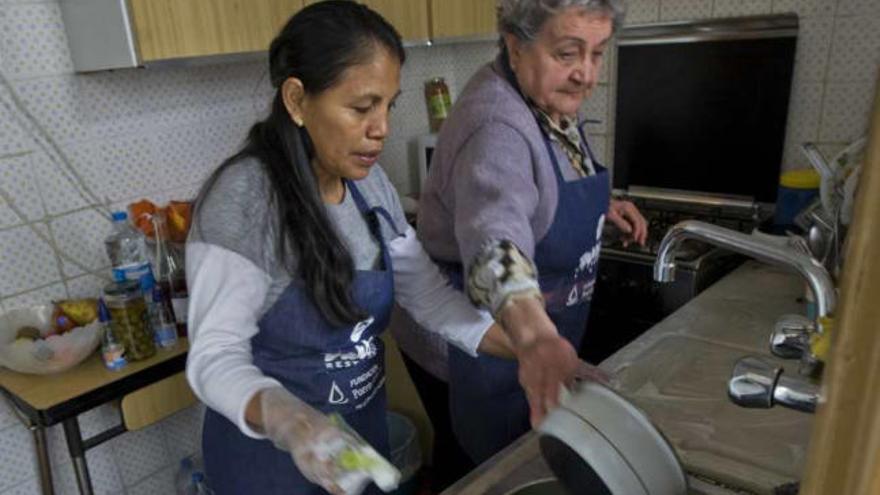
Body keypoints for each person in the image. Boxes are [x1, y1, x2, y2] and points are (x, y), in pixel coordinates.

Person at [184, 2, 580, 494]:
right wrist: (290, 420)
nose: (382, 128)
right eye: (361, 107)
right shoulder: (244, 198)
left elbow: (428, 297)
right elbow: (213, 357)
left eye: (388, 106)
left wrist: (530, 347)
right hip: (268, 464)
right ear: (296, 100)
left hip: (357, 444)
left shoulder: (369, 188)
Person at [402, 0, 649, 467]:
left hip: (525, 332)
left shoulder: (542, 95)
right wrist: (535, 337)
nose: (586, 74)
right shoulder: (495, 125)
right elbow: (495, 236)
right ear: (515, 46)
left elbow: (539, 177)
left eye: (597, 53)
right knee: (484, 469)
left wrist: (602, 204)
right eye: (568, 53)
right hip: (472, 338)